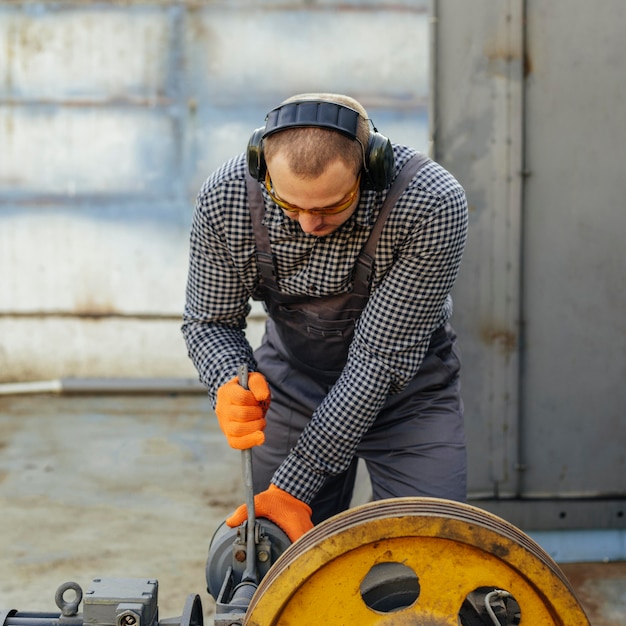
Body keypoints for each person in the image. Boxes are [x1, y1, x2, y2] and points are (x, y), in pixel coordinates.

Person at [182, 93, 468, 543]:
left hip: (408, 393)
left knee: (427, 548)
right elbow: (210, 321)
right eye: (288, 204)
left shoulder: (429, 203)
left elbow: (378, 363)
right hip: (292, 381)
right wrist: (228, 381)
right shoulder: (227, 197)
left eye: (330, 207)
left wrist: (292, 486)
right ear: (263, 169)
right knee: (268, 552)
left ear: (369, 170)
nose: (306, 225)